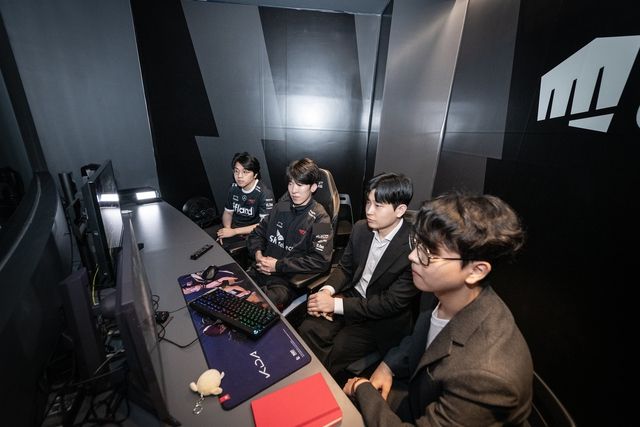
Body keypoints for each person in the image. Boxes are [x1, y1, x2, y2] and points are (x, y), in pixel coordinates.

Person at [343, 193, 533, 426]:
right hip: (419, 394)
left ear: (476, 271)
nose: (412, 256)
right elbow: (422, 339)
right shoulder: (451, 294)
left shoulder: (486, 376)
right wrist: (388, 365)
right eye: (418, 245)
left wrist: (362, 388)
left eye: (429, 253)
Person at [298, 172, 420, 377]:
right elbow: (345, 267)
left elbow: (389, 303)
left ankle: (314, 387)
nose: (369, 211)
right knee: (308, 329)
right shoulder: (361, 228)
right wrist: (327, 292)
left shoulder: (413, 248)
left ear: (400, 210)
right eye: (368, 202)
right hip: (352, 298)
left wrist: (335, 305)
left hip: (380, 319)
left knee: (335, 351)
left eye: (378, 206)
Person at [246, 158, 333, 310]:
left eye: (300, 185)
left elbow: (320, 261)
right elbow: (256, 234)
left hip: (284, 282)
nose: (293, 190)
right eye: (291, 183)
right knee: (224, 293)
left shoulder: (322, 219)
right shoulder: (282, 206)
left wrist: (278, 266)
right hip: (258, 271)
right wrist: (258, 255)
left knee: (251, 310)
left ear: (313, 187)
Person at [216, 152, 274, 250]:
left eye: (245, 172)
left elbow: (264, 225)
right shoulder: (233, 188)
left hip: (254, 233)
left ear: (255, 174)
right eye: (236, 171)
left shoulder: (265, 193)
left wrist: (234, 232)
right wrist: (227, 229)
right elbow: (228, 212)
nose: (239, 176)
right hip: (234, 228)